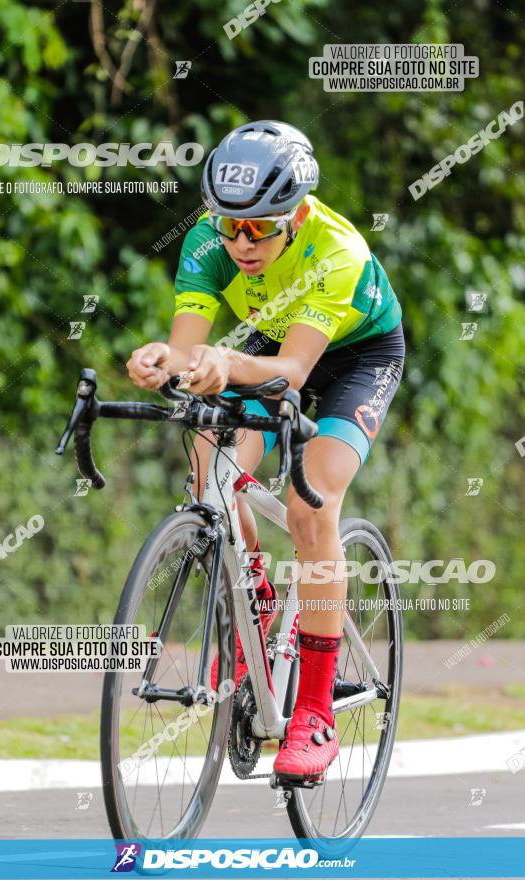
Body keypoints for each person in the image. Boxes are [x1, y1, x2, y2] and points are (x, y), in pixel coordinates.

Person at [127, 120, 405, 784]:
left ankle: (313, 711)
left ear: (297, 213)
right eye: (229, 224)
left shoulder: (336, 249)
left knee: (311, 508)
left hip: (351, 361)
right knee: (207, 463)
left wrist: (222, 361)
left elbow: (296, 372)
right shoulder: (208, 240)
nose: (241, 242)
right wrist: (162, 359)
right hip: (266, 346)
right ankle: (251, 597)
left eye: (260, 227)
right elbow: (190, 348)